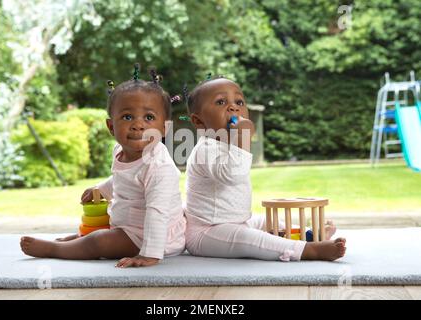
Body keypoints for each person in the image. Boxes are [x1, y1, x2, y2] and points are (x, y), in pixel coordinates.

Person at [20, 66, 186, 268]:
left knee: (99, 241)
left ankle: (54, 250)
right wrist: (101, 189)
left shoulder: (159, 167)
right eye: (127, 117)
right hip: (129, 227)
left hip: (156, 238)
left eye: (149, 117)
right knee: (98, 228)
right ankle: (80, 240)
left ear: (164, 128)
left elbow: (157, 212)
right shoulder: (120, 150)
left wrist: (150, 254)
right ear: (111, 127)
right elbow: (122, 178)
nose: (138, 125)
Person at [183, 76, 346, 262]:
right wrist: (243, 138)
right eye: (221, 102)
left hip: (238, 221)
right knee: (249, 238)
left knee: (267, 223)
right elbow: (233, 175)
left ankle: (309, 235)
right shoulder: (205, 149)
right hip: (206, 231)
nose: (233, 107)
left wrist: (239, 140)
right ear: (198, 122)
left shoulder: (232, 146)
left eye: (239, 102)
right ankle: (308, 250)